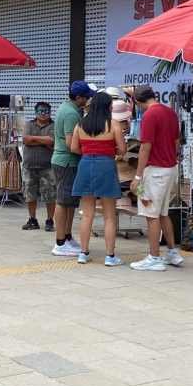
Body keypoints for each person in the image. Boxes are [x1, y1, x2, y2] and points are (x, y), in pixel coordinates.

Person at [130, 88, 184, 271]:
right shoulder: (170, 113)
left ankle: (154, 257)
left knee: (151, 215)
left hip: (155, 171)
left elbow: (145, 147)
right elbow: (176, 142)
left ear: (138, 102)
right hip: (170, 168)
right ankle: (172, 252)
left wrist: (138, 176)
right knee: (162, 213)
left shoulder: (149, 116)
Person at [70, 92, 126, 266]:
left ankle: (83, 253)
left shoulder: (80, 124)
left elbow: (74, 148)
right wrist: (109, 151)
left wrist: (89, 151)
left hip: (86, 164)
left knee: (87, 214)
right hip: (106, 165)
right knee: (109, 215)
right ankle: (110, 256)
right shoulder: (113, 124)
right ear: (108, 107)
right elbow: (122, 149)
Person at [51, 80, 94, 256]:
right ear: (78, 97)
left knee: (69, 202)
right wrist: (90, 152)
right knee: (63, 201)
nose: (88, 100)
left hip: (65, 161)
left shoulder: (67, 108)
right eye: (86, 97)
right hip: (67, 161)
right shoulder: (71, 114)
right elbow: (71, 144)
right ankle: (60, 242)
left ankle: (67, 237)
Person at [21, 102, 56, 231]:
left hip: (48, 167)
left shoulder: (54, 125)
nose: (43, 114)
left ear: (50, 112)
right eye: (40, 111)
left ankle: (50, 220)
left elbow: (52, 141)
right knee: (30, 194)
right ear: (35, 112)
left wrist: (34, 139)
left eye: (46, 111)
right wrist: (43, 141)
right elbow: (26, 140)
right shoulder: (29, 124)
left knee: (50, 195)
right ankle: (32, 220)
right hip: (29, 166)